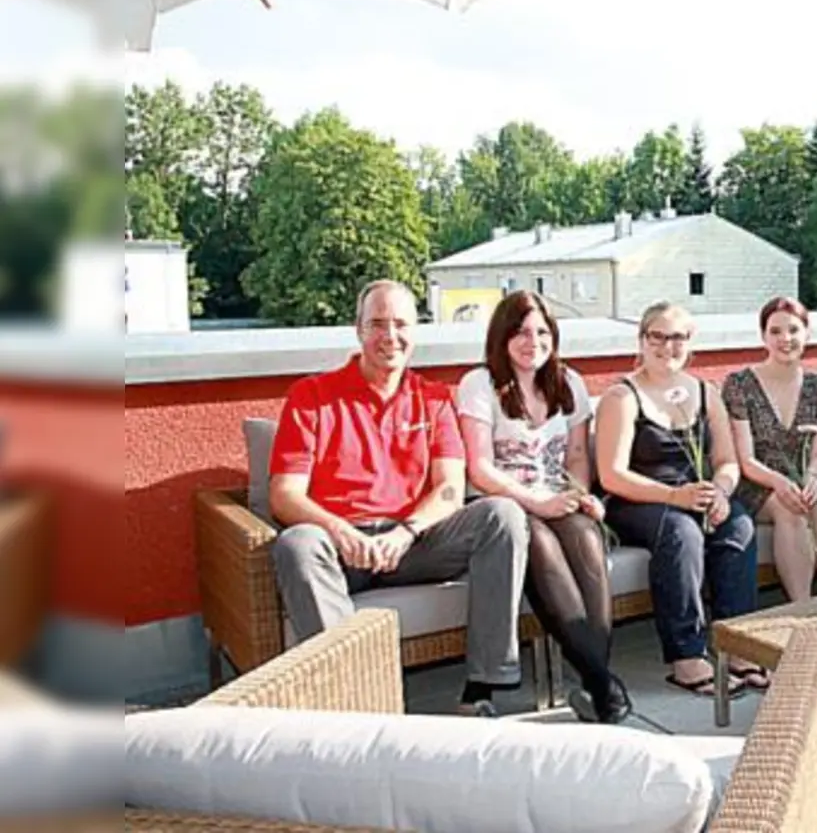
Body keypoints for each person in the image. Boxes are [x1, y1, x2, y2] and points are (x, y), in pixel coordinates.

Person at [269, 280, 529, 717]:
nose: (390, 336)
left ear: (416, 330)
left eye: (401, 324)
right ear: (358, 330)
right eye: (378, 324)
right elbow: (284, 493)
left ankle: (482, 684)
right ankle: (354, 699)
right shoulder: (311, 396)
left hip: (413, 545)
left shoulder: (433, 399)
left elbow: (450, 487)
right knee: (296, 544)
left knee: (501, 516)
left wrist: (406, 532)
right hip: (342, 548)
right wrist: (340, 530)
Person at [455, 290, 630, 724]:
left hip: (557, 495)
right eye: (520, 332)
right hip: (507, 505)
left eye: (541, 331)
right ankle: (602, 684)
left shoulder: (568, 382)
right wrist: (537, 502)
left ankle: (595, 680)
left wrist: (580, 494)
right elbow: (478, 467)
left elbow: (575, 458)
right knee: (542, 545)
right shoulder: (479, 384)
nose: (532, 341)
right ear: (502, 337)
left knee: (588, 538)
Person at [593, 301, 768, 697]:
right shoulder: (622, 397)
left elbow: (726, 460)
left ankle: (736, 642)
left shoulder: (707, 393)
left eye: (678, 337)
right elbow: (611, 474)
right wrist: (676, 496)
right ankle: (685, 653)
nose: (667, 346)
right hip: (637, 498)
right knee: (681, 532)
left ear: (691, 343)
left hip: (696, 495)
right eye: (657, 336)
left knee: (738, 523)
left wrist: (721, 491)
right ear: (641, 340)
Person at [723, 296, 817, 602]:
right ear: (763, 336)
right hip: (757, 484)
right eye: (775, 331)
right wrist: (779, 482)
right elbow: (745, 458)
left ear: (807, 334)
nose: (785, 339)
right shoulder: (739, 384)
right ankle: (802, 606)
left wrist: (814, 478)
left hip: (806, 479)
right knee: (788, 507)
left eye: (793, 330)